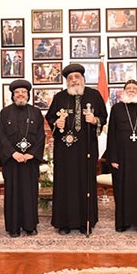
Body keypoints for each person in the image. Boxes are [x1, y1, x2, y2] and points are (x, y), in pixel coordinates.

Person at [45, 63, 107, 235]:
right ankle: (64, 222)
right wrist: (57, 124)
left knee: (85, 182)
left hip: (86, 147)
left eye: (77, 77)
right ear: (67, 81)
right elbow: (50, 117)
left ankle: (84, 221)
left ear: (83, 79)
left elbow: (104, 117)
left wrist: (94, 120)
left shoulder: (94, 96)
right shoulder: (59, 98)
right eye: (70, 78)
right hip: (65, 150)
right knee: (65, 183)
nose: (74, 80)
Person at [106, 80, 137, 234]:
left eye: (134, 88)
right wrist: (113, 158)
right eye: (128, 88)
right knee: (122, 189)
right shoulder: (117, 109)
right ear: (123, 91)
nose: (131, 90)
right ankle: (123, 222)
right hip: (122, 158)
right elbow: (112, 135)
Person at [0, 80, 46, 237]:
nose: (20, 95)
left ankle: (30, 225)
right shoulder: (5, 113)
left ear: (28, 95)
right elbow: (1, 136)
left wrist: (31, 154)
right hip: (12, 161)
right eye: (17, 92)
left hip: (30, 160)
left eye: (23, 92)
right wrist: (13, 153)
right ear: (12, 95)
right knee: (12, 193)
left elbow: (41, 136)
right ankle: (13, 227)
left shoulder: (36, 112)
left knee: (30, 192)